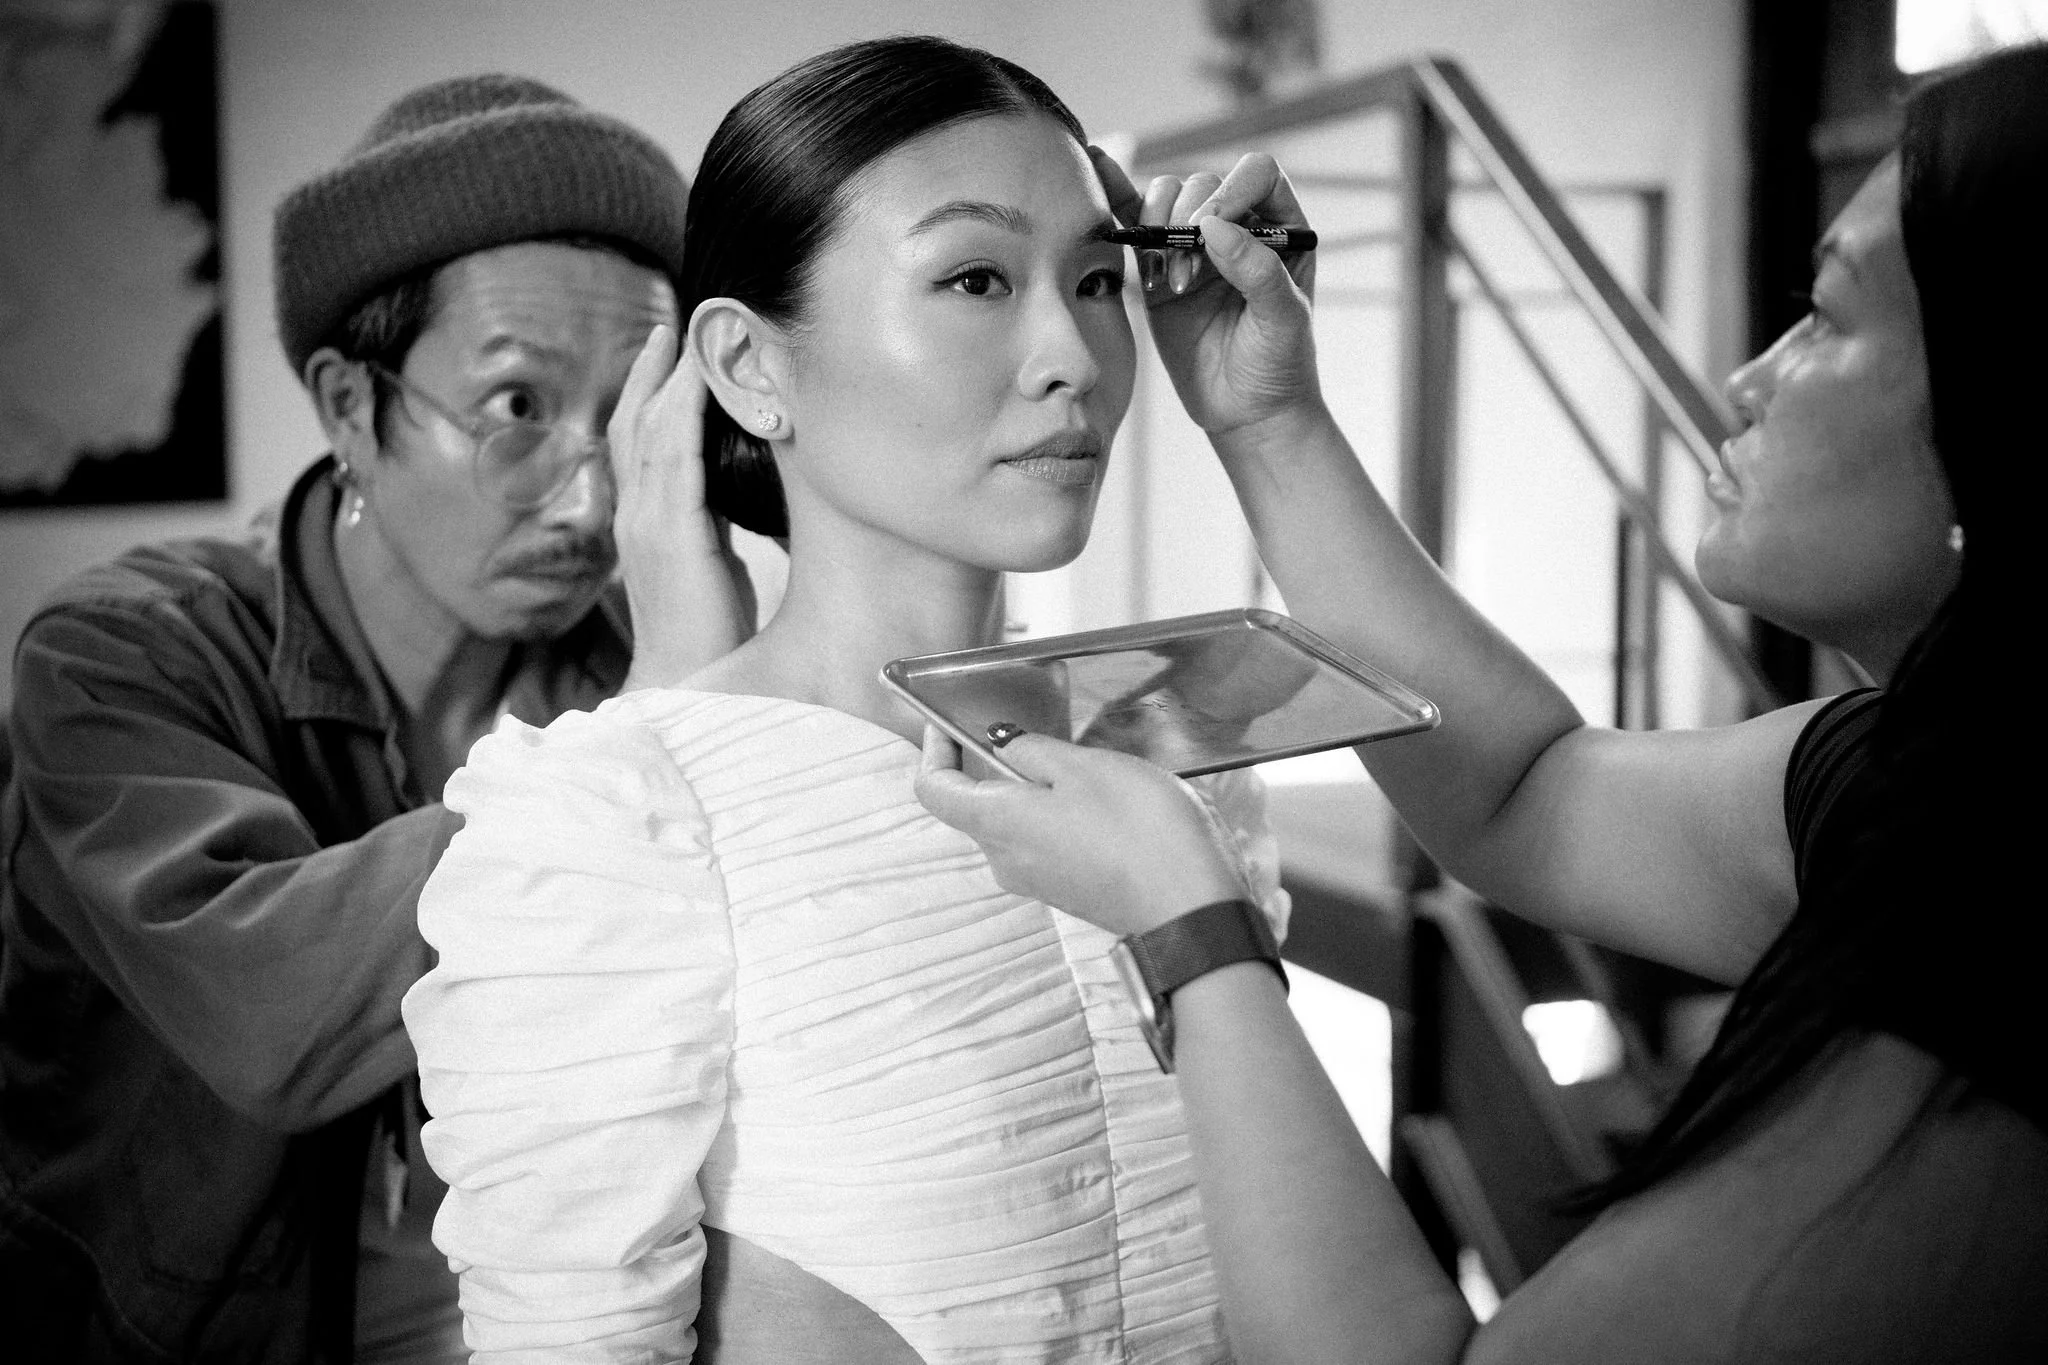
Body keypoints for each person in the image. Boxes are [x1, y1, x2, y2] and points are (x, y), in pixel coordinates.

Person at [918, 42, 2048, 1365]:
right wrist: (1268, 419)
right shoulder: (1905, 781)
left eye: (1831, 317)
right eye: (975, 281)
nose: (1749, 376)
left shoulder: (2003, 936)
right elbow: (1528, 791)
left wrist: (1194, 934)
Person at [399, 36, 1287, 1364]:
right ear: (749, 368)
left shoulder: (1170, 738)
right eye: (976, 278)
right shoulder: (614, 813)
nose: (1075, 355)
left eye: (1100, 278)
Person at [0, 75, 748, 1363]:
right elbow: (272, 1023)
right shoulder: (126, 654)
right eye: (517, 407)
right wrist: (664, 727)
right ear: (353, 406)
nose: (587, 505)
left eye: (623, 420)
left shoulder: (622, 665)